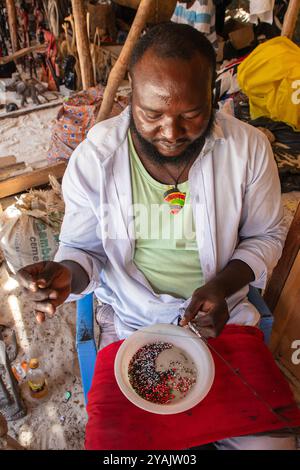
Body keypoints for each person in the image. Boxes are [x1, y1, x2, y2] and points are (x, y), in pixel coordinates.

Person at [17, 23, 295, 450]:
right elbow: (82, 250)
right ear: (131, 93)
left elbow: (266, 236)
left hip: (221, 319)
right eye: (152, 114)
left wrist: (221, 287)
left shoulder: (247, 149)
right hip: (132, 321)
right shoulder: (98, 157)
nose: (170, 131)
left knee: (273, 445)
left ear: (213, 94)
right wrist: (67, 275)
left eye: (190, 114)